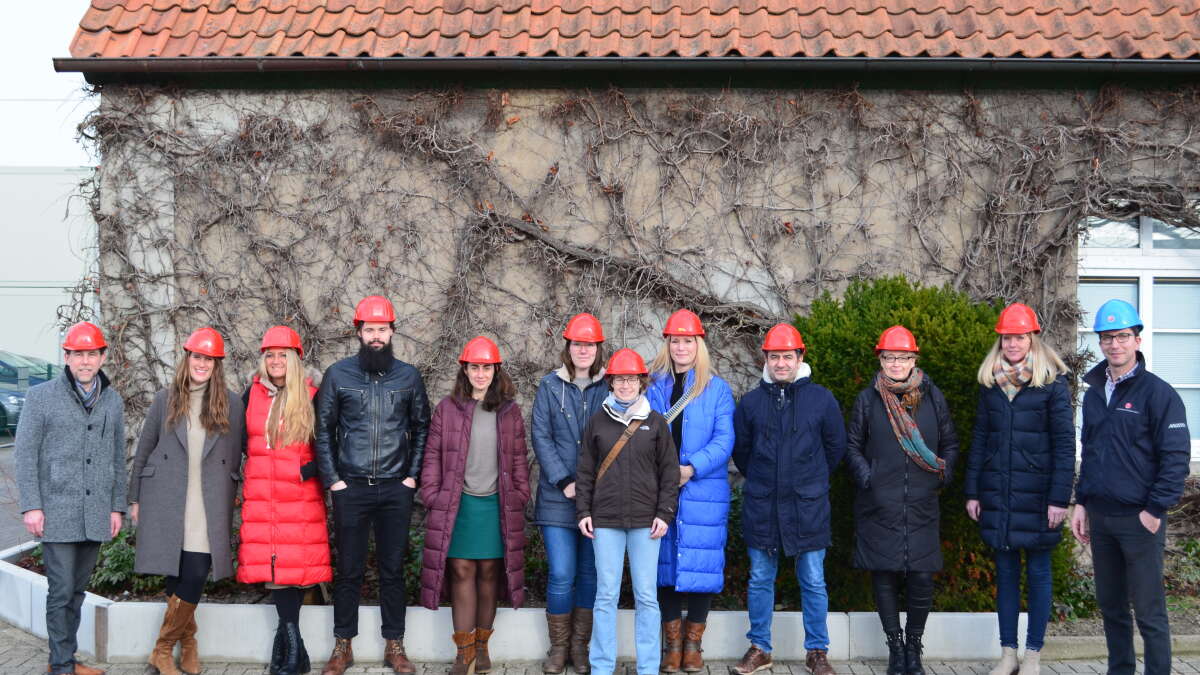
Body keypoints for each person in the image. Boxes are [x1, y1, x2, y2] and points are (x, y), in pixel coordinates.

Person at [1070, 299, 1191, 675]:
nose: (1115, 344)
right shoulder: (1093, 394)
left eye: (1122, 336)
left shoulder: (1159, 394)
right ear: (1101, 342)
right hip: (1102, 518)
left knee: (1150, 612)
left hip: (1141, 520)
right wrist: (1081, 502)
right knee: (1111, 608)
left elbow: (1175, 458)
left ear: (1137, 340)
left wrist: (1155, 510)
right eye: (1107, 337)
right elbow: (1090, 452)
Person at [313, 295, 431, 675]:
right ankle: (342, 646)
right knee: (348, 569)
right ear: (359, 332)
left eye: (382, 329)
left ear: (392, 331)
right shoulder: (339, 375)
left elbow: (422, 427)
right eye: (370, 330)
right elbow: (323, 430)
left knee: (393, 569)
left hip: (397, 488)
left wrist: (411, 476)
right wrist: (333, 480)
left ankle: (394, 646)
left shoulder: (409, 377)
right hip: (352, 488)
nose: (376, 336)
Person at [965, 304, 1074, 675]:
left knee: (1039, 573)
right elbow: (980, 439)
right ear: (1001, 339)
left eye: (1020, 336)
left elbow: (1064, 444)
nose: (1013, 343)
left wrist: (1061, 498)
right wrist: (973, 491)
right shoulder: (991, 384)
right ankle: (1008, 653)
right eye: (1007, 337)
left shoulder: (1052, 384)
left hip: (1040, 496)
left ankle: (1033, 656)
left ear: (1032, 338)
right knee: (1007, 575)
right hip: (999, 493)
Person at [129, 327, 246, 675]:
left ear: (216, 364)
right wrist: (134, 498)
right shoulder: (166, 399)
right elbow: (144, 449)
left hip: (207, 502)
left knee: (195, 572)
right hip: (166, 497)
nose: (202, 363)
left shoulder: (233, 403)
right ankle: (187, 645)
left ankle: (161, 650)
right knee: (174, 571)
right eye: (197, 356)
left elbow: (239, 454)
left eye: (209, 359)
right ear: (188, 358)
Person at [731, 324, 846, 675]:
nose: (781, 363)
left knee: (812, 578)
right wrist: (769, 480)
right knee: (760, 578)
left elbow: (835, 447)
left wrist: (808, 480)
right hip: (763, 505)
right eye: (775, 356)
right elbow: (742, 453)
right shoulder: (750, 403)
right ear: (765, 358)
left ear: (800, 357)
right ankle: (760, 648)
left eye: (787, 356)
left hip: (808, 506)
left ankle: (817, 651)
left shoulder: (822, 399)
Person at [844, 325, 958, 675]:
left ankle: (914, 646)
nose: (896, 363)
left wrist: (943, 473)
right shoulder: (868, 400)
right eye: (889, 357)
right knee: (885, 576)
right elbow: (851, 447)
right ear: (881, 359)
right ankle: (895, 648)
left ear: (914, 359)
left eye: (903, 357)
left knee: (922, 577)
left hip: (922, 503)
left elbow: (950, 443)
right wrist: (869, 479)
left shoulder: (932, 397)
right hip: (880, 504)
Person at [15, 321, 125, 675]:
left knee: (77, 592)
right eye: (78, 354)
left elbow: (117, 457)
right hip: (56, 511)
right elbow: (25, 454)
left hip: (95, 512)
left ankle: (66, 658)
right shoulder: (41, 396)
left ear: (102, 357)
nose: (85, 361)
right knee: (60, 591)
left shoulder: (112, 400)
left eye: (91, 354)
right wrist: (32, 504)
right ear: (67, 356)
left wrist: (116, 506)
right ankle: (61, 664)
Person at [419, 336, 531, 675]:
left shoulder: (509, 411)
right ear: (464, 369)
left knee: (489, 573)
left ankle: (483, 648)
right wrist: (433, 495)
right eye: (474, 367)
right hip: (458, 505)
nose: (479, 374)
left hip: (496, 505)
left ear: (495, 370)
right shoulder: (447, 408)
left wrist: (519, 495)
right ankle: (463, 653)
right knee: (461, 571)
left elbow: (520, 461)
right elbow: (432, 458)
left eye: (486, 367)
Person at [576, 348, 679, 675]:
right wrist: (583, 511)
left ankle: (648, 667)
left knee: (646, 596)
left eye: (631, 379)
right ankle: (601, 667)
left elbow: (670, 472)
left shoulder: (656, 422)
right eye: (620, 379)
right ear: (611, 382)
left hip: (646, 522)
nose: (625, 385)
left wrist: (664, 513)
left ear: (641, 382)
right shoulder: (597, 422)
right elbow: (584, 471)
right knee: (605, 596)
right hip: (604, 520)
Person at [237, 326, 331, 675]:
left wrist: (311, 469)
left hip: (298, 494)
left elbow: (330, 441)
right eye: (270, 355)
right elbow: (243, 442)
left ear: (294, 359)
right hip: (264, 494)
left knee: (293, 571)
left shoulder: (312, 394)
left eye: (283, 355)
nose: (276, 361)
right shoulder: (252, 395)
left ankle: (291, 652)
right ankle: (295, 651)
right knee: (275, 571)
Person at [646, 309, 735, 673]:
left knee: (703, 564)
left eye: (687, 340)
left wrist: (691, 467)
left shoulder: (717, 389)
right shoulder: (654, 386)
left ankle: (693, 646)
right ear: (667, 344)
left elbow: (725, 439)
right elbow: (646, 434)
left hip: (704, 490)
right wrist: (670, 472)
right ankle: (671, 646)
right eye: (675, 340)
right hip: (662, 486)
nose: (681, 347)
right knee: (663, 563)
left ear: (698, 344)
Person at [531, 313, 608, 673]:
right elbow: (541, 437)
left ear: (597, 348)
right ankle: (559, 648)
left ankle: (581, 647)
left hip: (598, 500)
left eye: (589, 344)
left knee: (590, 574)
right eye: (577, 343)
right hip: (557, 498)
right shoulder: (549, 386)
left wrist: (592, 485)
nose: (583, 350)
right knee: (562, 573)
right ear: (568, 346)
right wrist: (564, 480)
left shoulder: (611, 386)